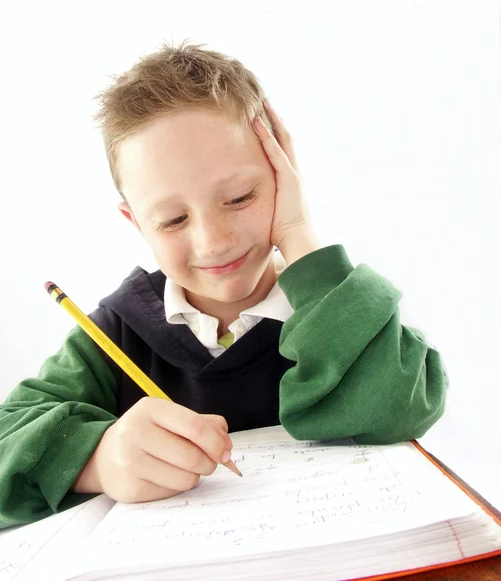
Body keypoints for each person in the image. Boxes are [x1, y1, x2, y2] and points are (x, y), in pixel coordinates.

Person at [0, 41, 447, 529]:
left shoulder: (333, 302)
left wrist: (297, 233)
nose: (213, 242)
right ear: (136, 224)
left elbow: (404, 405)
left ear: (283, 179)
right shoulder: (114, 331)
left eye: (238, 197)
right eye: (172, 219)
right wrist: (98, 459)